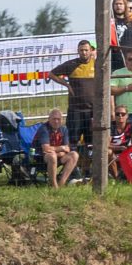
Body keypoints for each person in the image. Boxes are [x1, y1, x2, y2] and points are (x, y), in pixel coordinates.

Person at [51, 40, 96, 171]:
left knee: (91, 142)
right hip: (75, 110)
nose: (84, 52)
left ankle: (87, 170)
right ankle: (73, 170)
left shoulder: (97, 64)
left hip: (92, 111)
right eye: (81, 50)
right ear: (78, 51)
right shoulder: (71, 64)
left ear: (91, 51)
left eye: (86, 50)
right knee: (73, 141)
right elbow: (51, 74)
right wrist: (66, 84)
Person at [33, 107, 79, 186]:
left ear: (62, 120)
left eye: (59, 119)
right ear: (49, 119)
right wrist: (61, 148)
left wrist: (58, 151)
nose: (56, 121)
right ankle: (54, 186)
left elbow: (67, 149)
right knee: (52, 156)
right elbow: (46, 149)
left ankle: (61, 183)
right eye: (54, 119)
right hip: (41, 157)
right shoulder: (44, 129)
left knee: (74, 155)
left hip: (57, 156)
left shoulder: (64, 129)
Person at [109, 105, 132, 178]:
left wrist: (131, 146)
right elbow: (106, 145)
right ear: (115, 115)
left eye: (123, 114)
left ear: (127, 115)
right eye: (117, 114)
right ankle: (116, 177)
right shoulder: (111, 126)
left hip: (126, 150)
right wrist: (119, 148)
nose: (120, 116)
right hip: (114, 150)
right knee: (108, 152)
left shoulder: (131, 125)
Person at [111, 0, 132, 68]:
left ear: (125, 6)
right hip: (114, 57)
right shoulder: (110, 22)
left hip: (129, 58)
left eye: (121, 4)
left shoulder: (131, 22)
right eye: (116, 4)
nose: (118, 6)